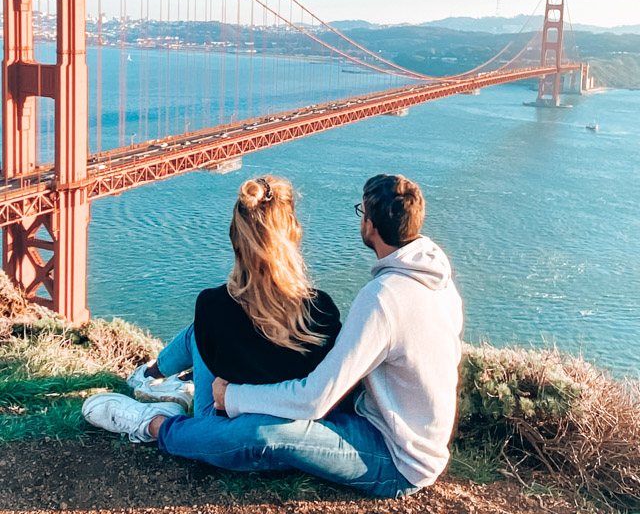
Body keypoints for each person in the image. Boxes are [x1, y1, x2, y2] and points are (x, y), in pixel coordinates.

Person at [85, 174, 463, 500]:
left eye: (360, 212)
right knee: (208, 326)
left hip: (396, 458)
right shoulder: (435, 278)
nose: (360, 219)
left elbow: (315, 400)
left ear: (372, 227)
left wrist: (230, 395)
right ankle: (154, 378)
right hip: (383, 421)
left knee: (257, 432)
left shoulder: (383, 298)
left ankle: (153, 423)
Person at [83, 175, 341, 430]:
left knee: (201, 330)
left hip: (219, 427)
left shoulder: (214, 304)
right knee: (212, 328)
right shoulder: (323, 310)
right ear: (293, 230)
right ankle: (162, 381)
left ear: (235, 235)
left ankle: (150, 377)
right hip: (301, 433)